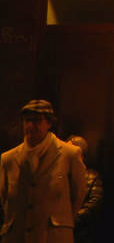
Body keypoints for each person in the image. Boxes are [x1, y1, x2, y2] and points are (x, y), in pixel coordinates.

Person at [0, 100, 87, 243]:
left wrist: (59, 221)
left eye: (36, 121)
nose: (30, 126)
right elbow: (4, 198)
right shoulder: (7, 159)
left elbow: (78, 194)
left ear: (49, 124)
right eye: (27, 121)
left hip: (53, 237)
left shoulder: (69, 154)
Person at [67, 136, 103, 243]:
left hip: (81, 234)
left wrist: (72, 220)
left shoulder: (92, 177)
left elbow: (92, 206)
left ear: (81, 155)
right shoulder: (60, 175)